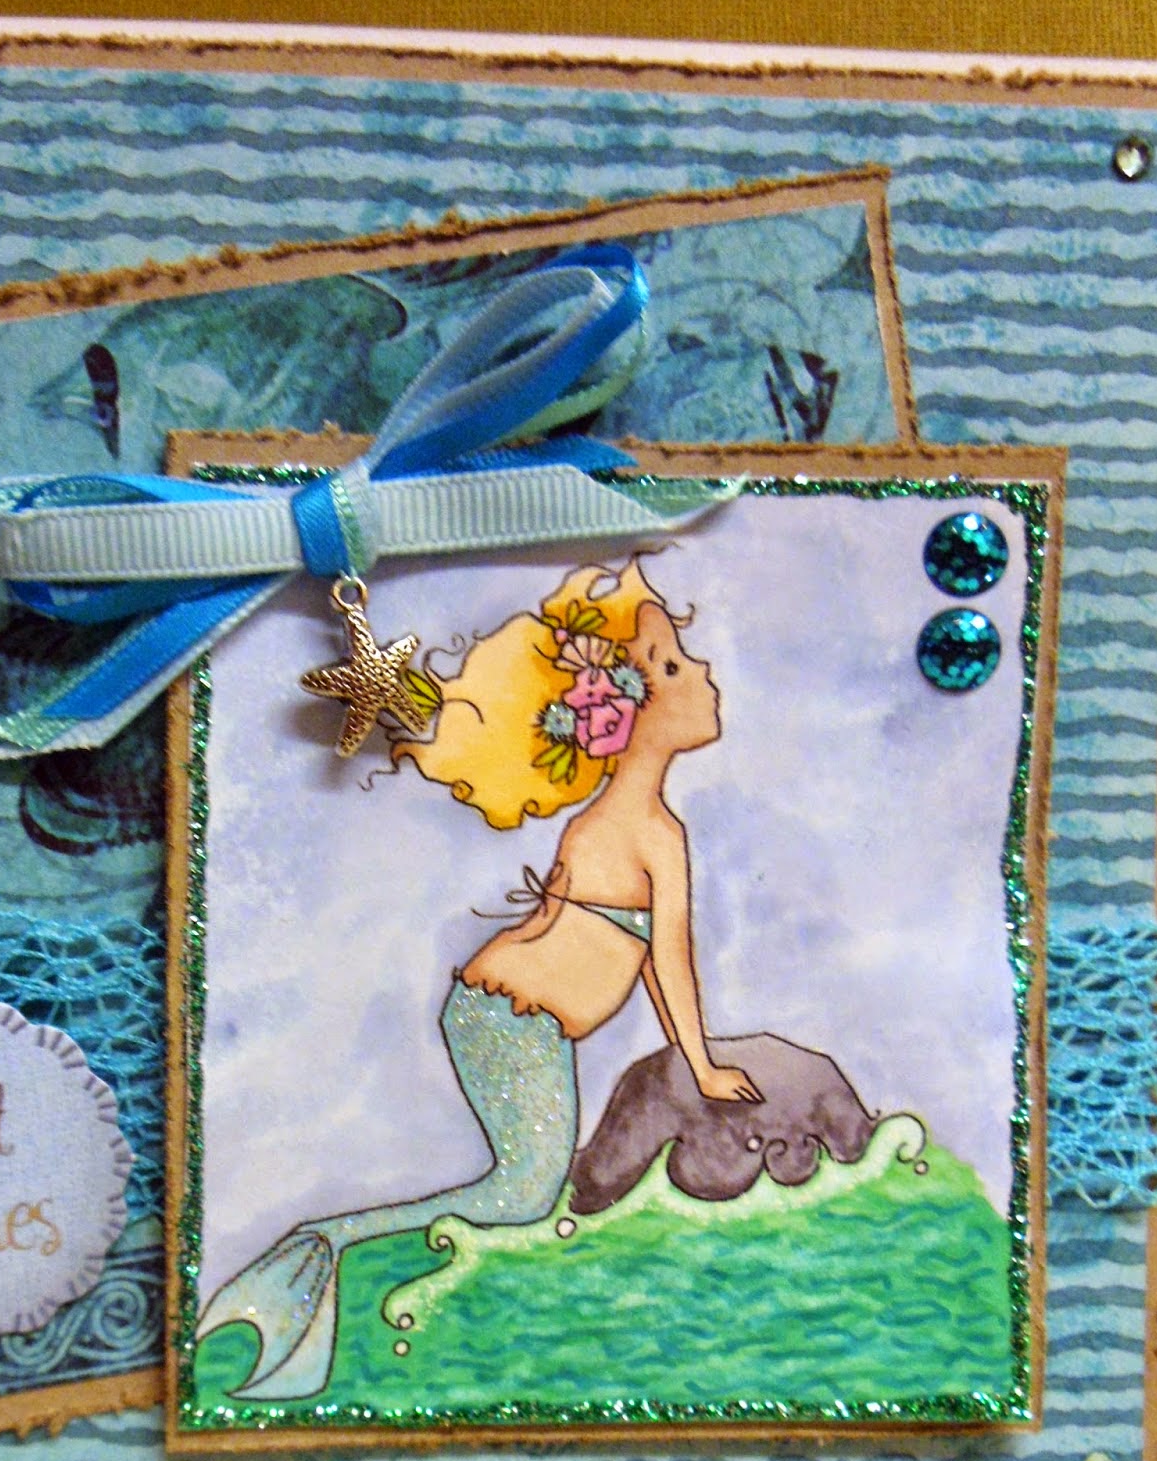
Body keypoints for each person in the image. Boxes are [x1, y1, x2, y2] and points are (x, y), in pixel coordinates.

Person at [196, 556, 760, 1399]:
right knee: (525, 1194)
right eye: (676, 666)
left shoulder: (620, 822)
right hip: (511, 1017)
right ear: (634, 711)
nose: (705, 670)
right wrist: (703, 1066)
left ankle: (327, 1264)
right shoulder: (644, 830)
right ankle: (325, 1249)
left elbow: (592, 934)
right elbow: (667, 958)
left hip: (505, 1011)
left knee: (526, 1189)